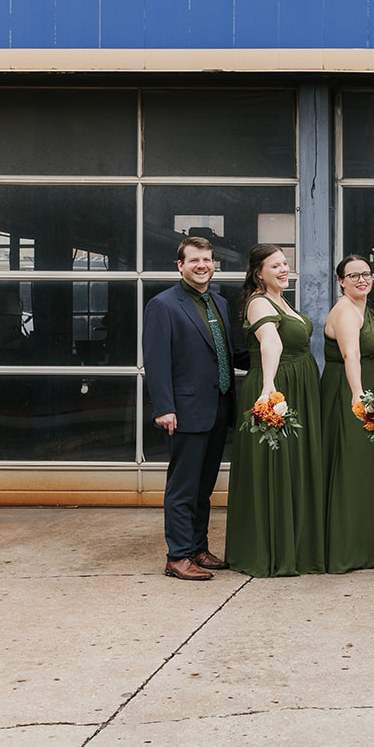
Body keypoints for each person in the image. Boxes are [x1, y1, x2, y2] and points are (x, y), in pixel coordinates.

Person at [144, 236, 249, 581]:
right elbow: (156, 360)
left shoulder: (218, 301)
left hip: (218, 406)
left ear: (214, 263)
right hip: (185, 410)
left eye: (207, 260)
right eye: (194, 260)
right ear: (180, 265)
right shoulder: (163, 305)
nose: (202, 265)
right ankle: (178, 556)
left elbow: (227, 353)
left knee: (204, 485)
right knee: (183, 486)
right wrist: (164, 407)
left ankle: (198, 548)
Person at [224, 244, 327, 577]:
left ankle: (299, 547)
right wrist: (269, 387)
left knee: (295, 465)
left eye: (285, 264)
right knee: (275, 467)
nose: (284, 270)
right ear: (259, 273)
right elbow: (271, 342)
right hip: (278, 387)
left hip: (300, 386)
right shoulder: (258, 302)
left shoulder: (282, 300)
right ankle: (272, 550)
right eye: (275, 266)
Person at [319, 254, 374, 573]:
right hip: (351, 393)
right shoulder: (346, 311)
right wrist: (359, 396)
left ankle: (369, 547)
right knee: (351, 468)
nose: (362, 279)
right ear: (341, 282)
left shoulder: (366, 309)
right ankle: (347, 549)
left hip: (371, 388)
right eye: (354, 275)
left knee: (368, 469)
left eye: (366, 274)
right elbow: (351, 356)